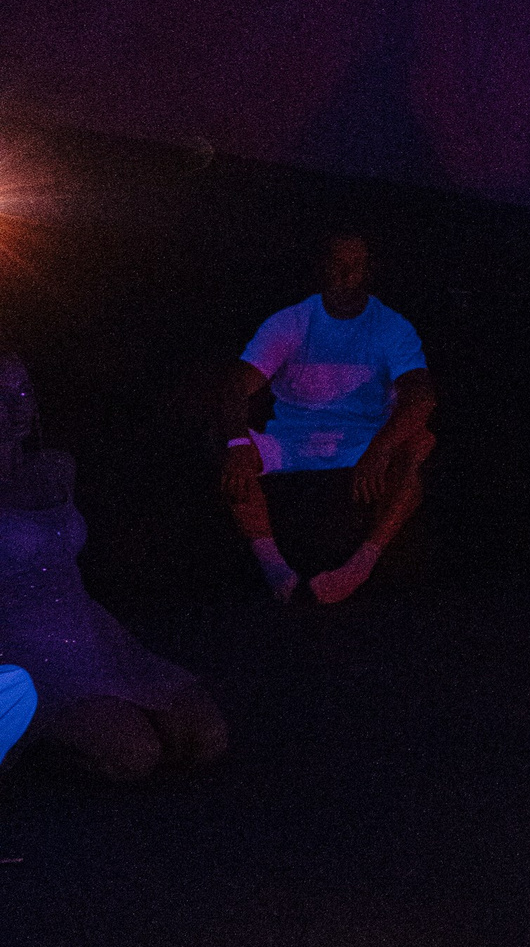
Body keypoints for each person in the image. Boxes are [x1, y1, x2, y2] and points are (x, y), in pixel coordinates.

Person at [0, 354, 226, 783]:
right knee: (134, 755)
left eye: (23, 392)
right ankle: (33, 737)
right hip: (20, 645)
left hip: (89, 631)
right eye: (1, 396)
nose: (18, 407)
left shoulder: (55, 467)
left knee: (205, 738)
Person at [217, 232, 436, 606]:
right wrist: (237, 444)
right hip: (291, 439)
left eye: (355, 266)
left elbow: (421, 396)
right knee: (227, 443)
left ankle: (359, 566)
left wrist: (380, 449)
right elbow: (235, 387)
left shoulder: (391, 327)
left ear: (368, 271)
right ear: (322, 266)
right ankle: (275, 567)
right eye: (337, 264)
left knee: (419, 442)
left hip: (363, 438)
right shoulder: (290, 322)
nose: (346, 274)